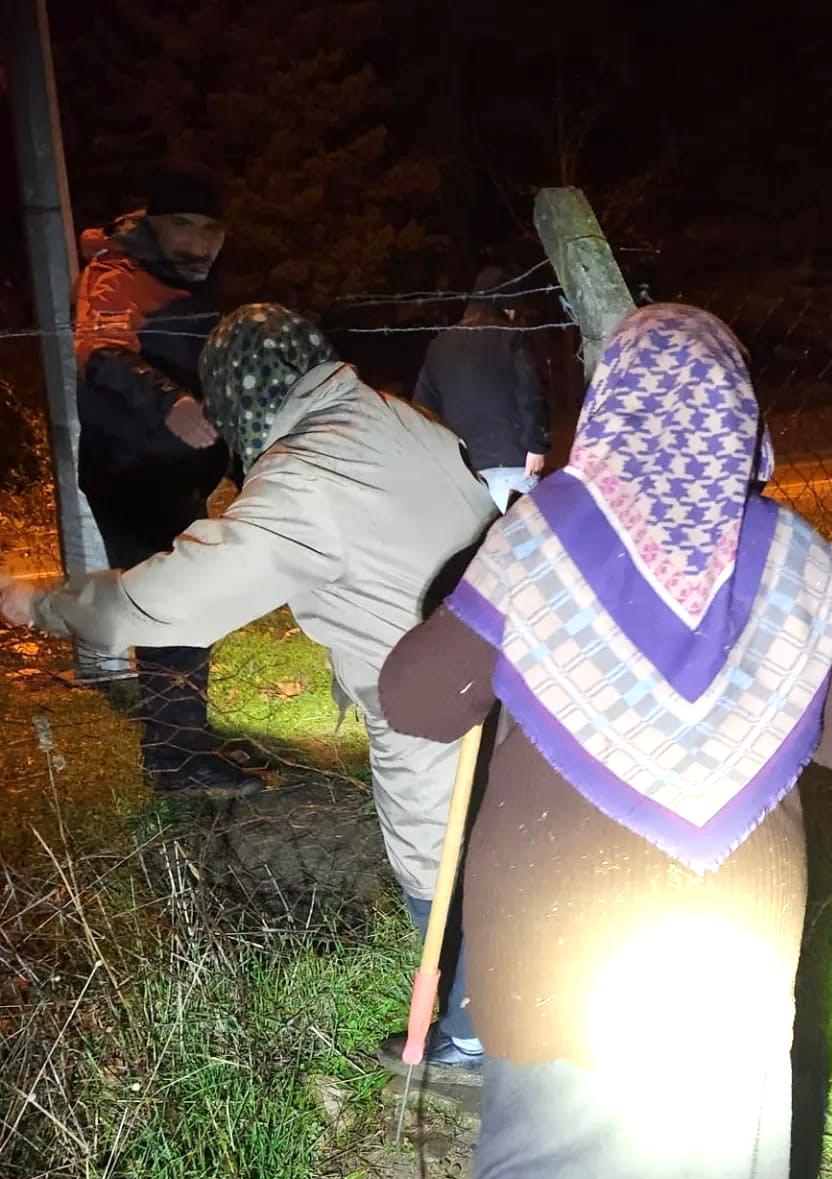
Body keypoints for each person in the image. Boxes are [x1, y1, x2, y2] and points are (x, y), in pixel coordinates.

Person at [378, 303, 832, 1179]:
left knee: (548, 1168)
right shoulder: (802, 555)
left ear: (608, 410)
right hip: (735, 940)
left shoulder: (543, 536)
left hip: (556, 943)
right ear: (742, 421)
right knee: (713, 1163)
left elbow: (414, 699)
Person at [0, 304, 498, 1076]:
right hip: (504, 665)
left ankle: (472, 1041)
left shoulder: (306, 475)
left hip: (432, 697)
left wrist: (47, 604)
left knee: (440, 859)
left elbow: (165, 602)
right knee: (497, 840)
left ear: (237, 405)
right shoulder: (396, 418)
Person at [73, 163, 253, 794]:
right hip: (133, 477)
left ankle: (182, 740)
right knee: (171, 610)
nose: (200, 242)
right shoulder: (120, 274)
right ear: (152, 223)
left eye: (211, 229)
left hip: (175, 479)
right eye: (184, 225)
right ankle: (176, 761)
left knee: (182, 606)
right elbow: (100, 353)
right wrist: (169, 403)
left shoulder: (183, 280)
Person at [412, 265, 550, 514]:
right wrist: (536, 446)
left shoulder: (439, 346)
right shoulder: (511, 336)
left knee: (482, 549)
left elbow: (422, 409)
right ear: (506, 306)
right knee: (520, 546)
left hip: (464, 473)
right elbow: (529, 392)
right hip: (513, 462)